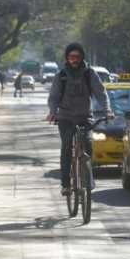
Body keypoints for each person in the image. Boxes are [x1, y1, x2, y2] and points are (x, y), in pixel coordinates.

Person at [47, 43, 112, 197]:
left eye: (77, 57)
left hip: (85, 117)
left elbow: (101, 93)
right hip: (66, 118)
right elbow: (54, 97)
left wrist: (108, 110)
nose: (74, 60)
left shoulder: (90, 74)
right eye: (71, 57)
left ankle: (87, 178)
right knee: (66, 147)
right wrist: (53, 112)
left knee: (88, 145)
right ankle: (65, 184)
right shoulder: (61, 76)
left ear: (81, 57)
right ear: (67, 58)